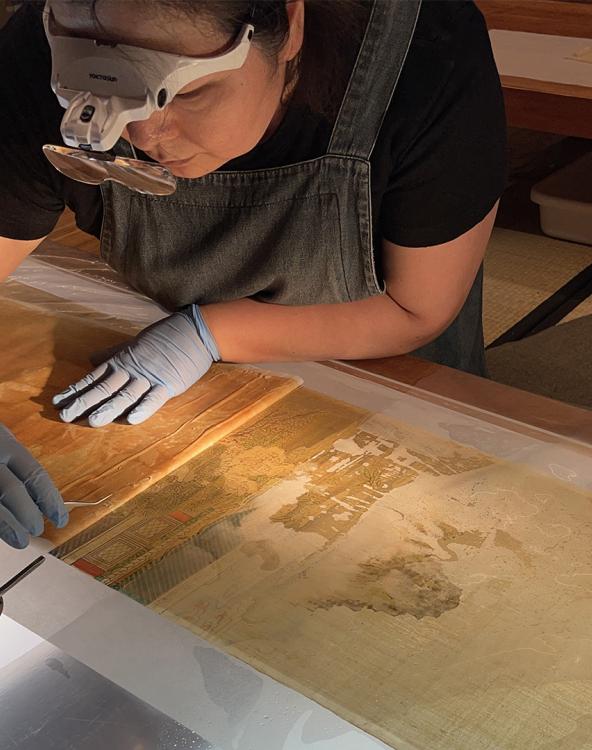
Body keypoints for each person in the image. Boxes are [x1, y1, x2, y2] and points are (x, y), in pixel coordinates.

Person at [0, 0, 507, 548]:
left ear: (290, 24)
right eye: (95, 88)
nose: (144, 133)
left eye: (187, 92)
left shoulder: (425, 54)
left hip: (385, 352)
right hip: (189, 385)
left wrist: (212, 332)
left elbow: (415, 309)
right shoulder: (45, 42)